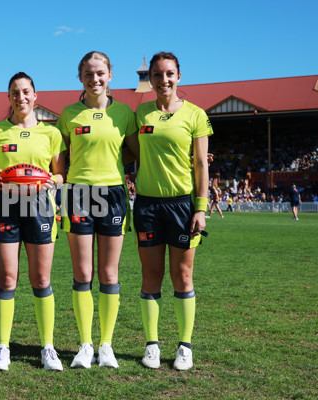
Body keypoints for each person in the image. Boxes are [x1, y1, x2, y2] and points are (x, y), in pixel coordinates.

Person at [0, 72, 67, 372]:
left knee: (41, 280)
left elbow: (60, 174)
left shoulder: (51, 134)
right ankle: (2, 347)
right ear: (9, 97)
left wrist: (46, 181)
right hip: (6, 205)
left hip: (40, 205)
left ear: (35, 95)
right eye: (15, 93)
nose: (21, 98)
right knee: (7, 280)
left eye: (26, 92)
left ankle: (47, 347)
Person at [57, 51, 139, 369]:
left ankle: (106, 345)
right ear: (81, 77)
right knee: (83, 273)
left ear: (110, 75)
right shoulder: (68, 115)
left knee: (108, 273)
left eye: (100, 73)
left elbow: (136, 152)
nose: (95, 79)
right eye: (89, 74)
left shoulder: (125, 114)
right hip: (77, 194)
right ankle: (85, 345)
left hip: (114, 194)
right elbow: (60, 157)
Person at [133, 51, 212, 371]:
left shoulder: (196, 115)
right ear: (149, 79)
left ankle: (184, 346)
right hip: (148, 205)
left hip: (182, 205)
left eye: (169, 74)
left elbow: (200, 165)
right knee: (151, 275)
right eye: (157, 75)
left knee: (182, 276)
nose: (163, 80)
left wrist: (201, 208)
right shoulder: (141, 114)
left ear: (178, 76)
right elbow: (133, 152)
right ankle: (151, 345)